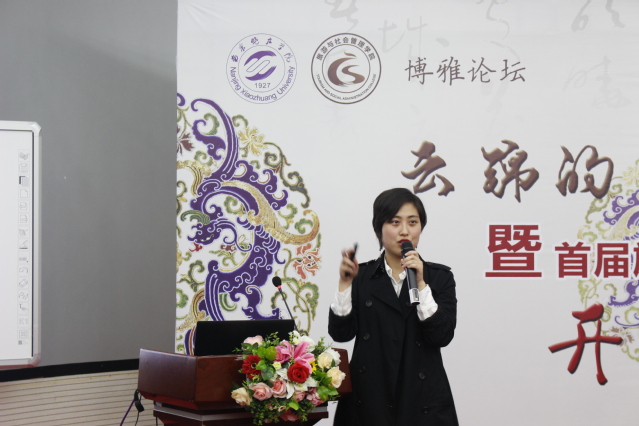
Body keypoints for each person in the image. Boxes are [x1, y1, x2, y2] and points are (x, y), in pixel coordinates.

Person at [328, 188, 458, 425]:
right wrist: (345, 285)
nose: (405, 231)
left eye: (413, 222)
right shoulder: (361, 276)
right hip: (369, 398)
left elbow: (442, 335)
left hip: (422, 401)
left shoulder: (439, 277)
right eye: (395, 222)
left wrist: (421, 284)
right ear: (379, 227)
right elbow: (341, 333)